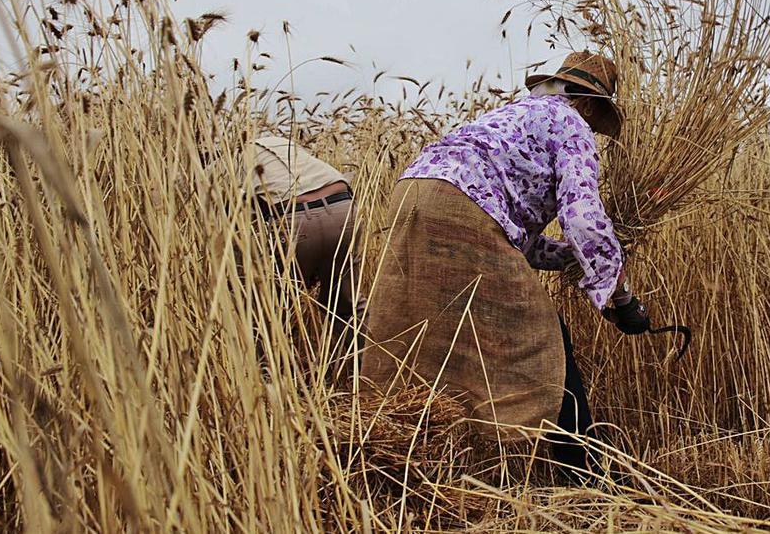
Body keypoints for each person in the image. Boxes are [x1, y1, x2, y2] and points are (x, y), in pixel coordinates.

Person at [360, 51, 650, 480]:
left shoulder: (511, 116)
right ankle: (587, 472)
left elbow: (517, 240)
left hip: (413, 193)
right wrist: (619, 294)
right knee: (544, 335)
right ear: (589, 104)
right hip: (463, 207)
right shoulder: (570, 124)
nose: (592, 128)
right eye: (594, 118)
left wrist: (576, 258)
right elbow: (584, 219)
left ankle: (387, 448)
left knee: (417, 330)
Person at [245, 135, 363, 360]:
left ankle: (273, 381)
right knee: (346, 304)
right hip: (343, 208)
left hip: (293, 220)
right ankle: (372, 373)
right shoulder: (282, 142)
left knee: (270, 309)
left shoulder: (232, 161)